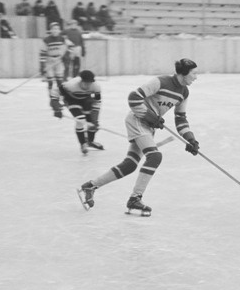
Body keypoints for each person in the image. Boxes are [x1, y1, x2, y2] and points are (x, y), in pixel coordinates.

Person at [77, 59, 201, 216]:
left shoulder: (184, 92)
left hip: (148, 126)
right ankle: (135, 198)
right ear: (183, 73)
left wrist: (190, 139)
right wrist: (150, 116)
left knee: (130, 165)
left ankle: (90, 186)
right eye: (194, 73)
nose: (196, 77)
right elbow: (134, 98)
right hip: (137, 120)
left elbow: (181, 118)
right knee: (155, 156)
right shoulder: (160, 82)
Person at [59, 70, 103, 155]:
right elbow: (57, 90)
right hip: (71, 100)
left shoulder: (96, 86)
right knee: (80, 119)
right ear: (81, 81)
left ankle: (90, 141)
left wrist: (95, 119)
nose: (88, 85)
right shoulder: (71, 85)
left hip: (85, 100)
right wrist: (56, 107)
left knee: (91, 123)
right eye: (86, 83)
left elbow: (97, 103)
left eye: (90, 83)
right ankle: (83, 144)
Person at [39, 22, 75, 118]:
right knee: (50, 83)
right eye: (53, 29)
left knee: (60, 82)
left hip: (59, 61)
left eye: (57, 29)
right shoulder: (46, 40)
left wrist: (66, 55)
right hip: (49, 61)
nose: (55, 30)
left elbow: (71, 46)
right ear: (50, 30)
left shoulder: (62, 38)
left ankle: (61, 100)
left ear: (59, 30)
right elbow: (42, 53)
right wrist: (42, 66)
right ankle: (52, 101)